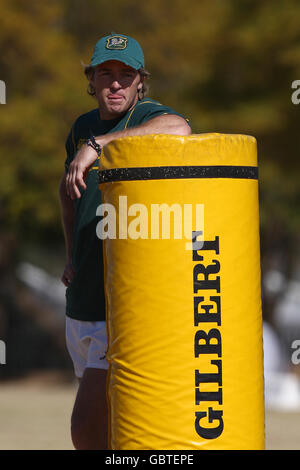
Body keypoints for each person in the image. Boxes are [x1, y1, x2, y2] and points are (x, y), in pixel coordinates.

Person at [59, 33, 191, 450]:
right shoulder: (80, 125)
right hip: (81, 296)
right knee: (113, 429)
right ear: (92, 80)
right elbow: (67, 192)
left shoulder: (148, 117)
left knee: (86, 430)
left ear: (140, 82)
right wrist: (69, 255)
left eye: (125, 75)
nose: (115, 83)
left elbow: (180, 128)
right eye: (106, 74)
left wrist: (98, 147)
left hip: (120, 304)